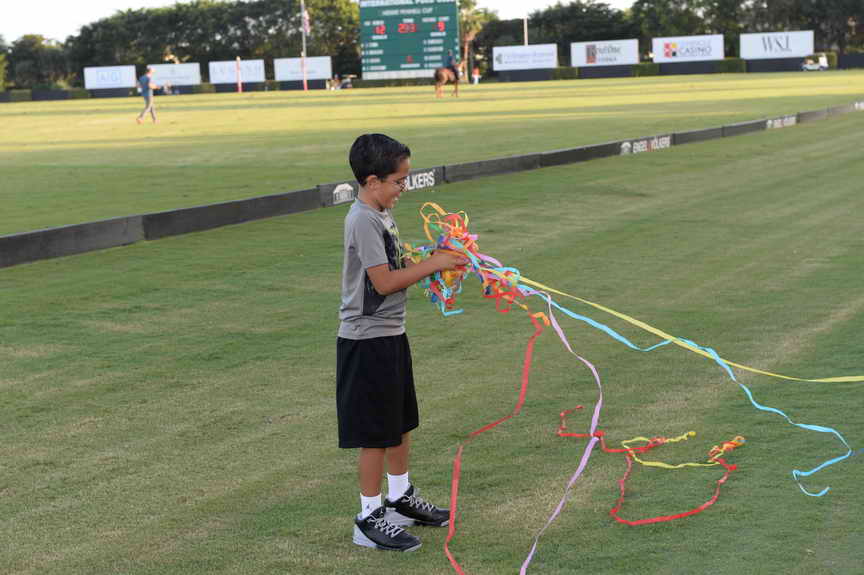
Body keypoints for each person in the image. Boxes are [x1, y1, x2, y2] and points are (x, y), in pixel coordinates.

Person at [338, 133, 467, 552]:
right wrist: (432, 264)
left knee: (399, 424)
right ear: (372, 181)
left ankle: (399, 498)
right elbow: (384, 282)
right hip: (367, 340)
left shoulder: (382, 212)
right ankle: (368, 517)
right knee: (375, 433)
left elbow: (398, 264)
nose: (404, 188)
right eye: (399, 181)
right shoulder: (363, 219)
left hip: (391, 334)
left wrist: (438, 264)